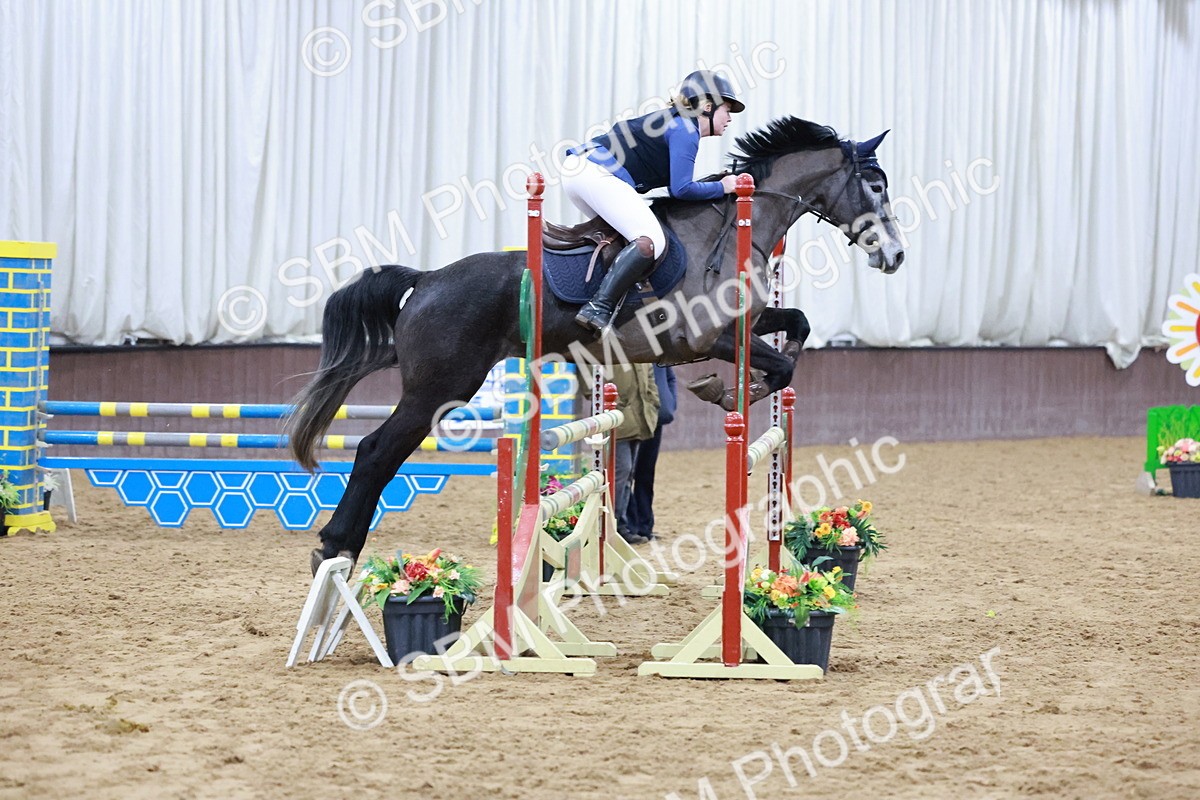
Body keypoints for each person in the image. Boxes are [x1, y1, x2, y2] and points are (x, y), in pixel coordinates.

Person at [561, 70, 746, 334]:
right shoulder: (686, 129)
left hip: (581, 170)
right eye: (726, 109)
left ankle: (606, 303)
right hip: (595, 172)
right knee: (652, 239)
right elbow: (681, 189)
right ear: (707, 106)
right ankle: (598, 307)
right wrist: (722, 186)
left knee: (622, 238)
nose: (729, 118)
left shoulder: (678, 123)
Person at [626, 365, 676, 541]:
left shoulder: (658, 352)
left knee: (645, 474)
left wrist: (668, 405)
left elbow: (670, 377)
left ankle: (645, 526)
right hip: (632, 419)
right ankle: (630, 525)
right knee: (627, 473)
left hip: (654, 419)